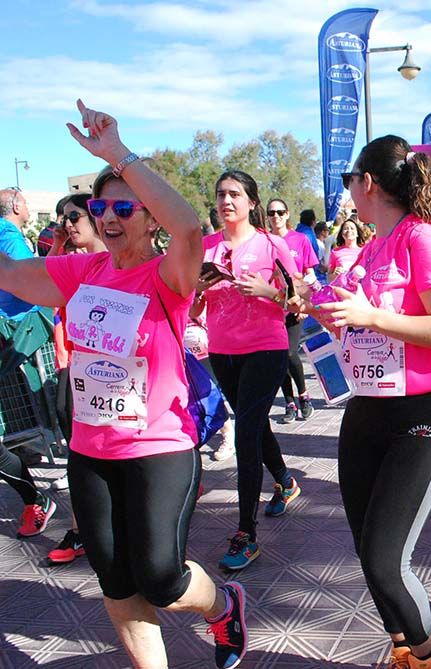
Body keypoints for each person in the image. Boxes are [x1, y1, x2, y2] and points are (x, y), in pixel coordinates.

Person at [0, 101, 247, 668]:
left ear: (149, 216)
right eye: (99, 207)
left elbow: (188, 225)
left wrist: (117, 154)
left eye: (124, 207)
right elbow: (13, 275)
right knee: (115, 578)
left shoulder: (168, 273)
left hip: (159, 447)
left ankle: (222, 606)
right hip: (91, 449)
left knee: (161, 578)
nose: (108, 217)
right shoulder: (83, 270)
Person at [312, 135, 431, 668]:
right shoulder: (375, 244)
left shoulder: (424, 240)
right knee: (365, 550)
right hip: (366, 411)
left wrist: (372, 317)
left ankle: (430, 656)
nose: (347, 191)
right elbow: (353, 317)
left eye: (349, 181)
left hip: (419, 417)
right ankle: (402, 648)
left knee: (385, 561)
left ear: (367, 183)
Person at [195, 170, 300, 571]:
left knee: (246, 432)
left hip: (266, 347)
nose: (227, 201)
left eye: (235, 194)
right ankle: (285, 482)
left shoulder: (272, 245)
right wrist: (200, 291)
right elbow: (193, 308)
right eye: (221, 194)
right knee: (255, 424)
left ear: (252, 202)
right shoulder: (206, 248)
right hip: (222, 350)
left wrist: (268, 291)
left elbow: (298, 301)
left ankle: (246, 533)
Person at [46, 192, 108, 566]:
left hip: (120, 373)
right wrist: (55, 242)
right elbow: (43, 279)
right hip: (76, 367)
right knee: (79, 452)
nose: (67, 224)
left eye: (74, 217)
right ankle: (81, 527)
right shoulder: (70, 263)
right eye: (62, 219)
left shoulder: (115, 262)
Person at [266, 197, 320, 423]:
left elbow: (309, 275)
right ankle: (289, 403)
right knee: (278, 358)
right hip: (271, 307)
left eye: (280, 212)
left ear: (287, 214)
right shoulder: (263, 241)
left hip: (295, 307)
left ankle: (304, 396)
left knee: (290, 353)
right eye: (271, 213)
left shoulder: (300, 240)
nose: (276, 217)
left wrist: (307, 304)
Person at [0, 187, 35, 318]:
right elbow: (30, 278)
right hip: (17, 318)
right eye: (25, 203)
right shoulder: (11, 239)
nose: (27, 208)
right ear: (16, 207)